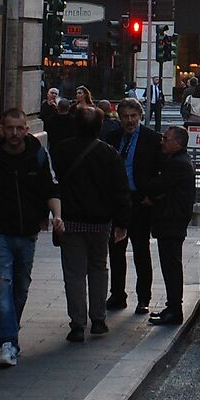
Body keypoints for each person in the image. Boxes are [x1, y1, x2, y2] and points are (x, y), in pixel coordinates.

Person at [48, 99, 131, 340]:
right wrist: (122, 222)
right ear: (99, 126)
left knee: (73, 273)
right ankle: (98, 319)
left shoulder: (61, 150)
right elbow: (120, 190)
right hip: (100, 222)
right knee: (98, 268)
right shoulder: (109, 153)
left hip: (70, 220)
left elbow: (53, 184)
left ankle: (77, 323)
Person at [0, 106, 62, 366]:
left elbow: (50, 187)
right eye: (9, 128)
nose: (14, 133)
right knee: (2, 283)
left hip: (28, 232)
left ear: (26, 129)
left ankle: (10, 329)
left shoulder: (37, 154)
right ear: (1, 129)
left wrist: (57, 216)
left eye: (19, 128)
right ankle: (9, 343)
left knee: (20, 288)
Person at [106, 98, 158, 315]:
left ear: (140, 116)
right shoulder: (112, 137)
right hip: (117, 201)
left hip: (140, 201)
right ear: (119, 117)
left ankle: (143, 298)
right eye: (125, 116)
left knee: (141, 251)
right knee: (116, 250)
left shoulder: (152, 139)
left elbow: (161, 171)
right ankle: (117, 294)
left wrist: (153, 196)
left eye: (133, 116)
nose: (129, 120)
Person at [147, 126, 196, 326]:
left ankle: (174, 309)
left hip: (171, 221)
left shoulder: (178, 164)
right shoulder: (179, 162)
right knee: (170, 265)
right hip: (172, 221)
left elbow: (157, 185)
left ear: (177, 142)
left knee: (171, 266)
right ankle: (172, 306)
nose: (162, 142)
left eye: (166, 139)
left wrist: (154, 198)